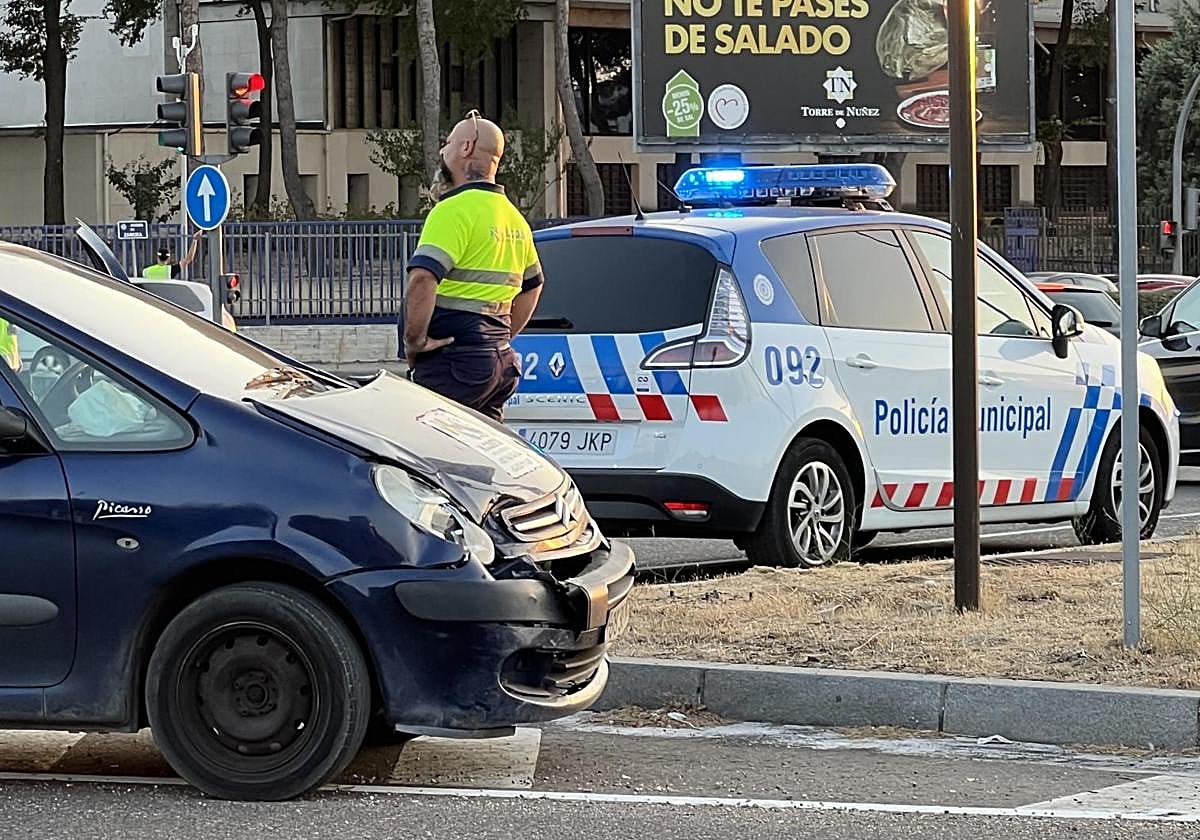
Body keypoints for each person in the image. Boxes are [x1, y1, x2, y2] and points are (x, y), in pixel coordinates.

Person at [402, 110, 543, 422]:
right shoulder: (513, 217)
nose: (443, 150)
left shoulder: (452, 210)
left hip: (454, 363)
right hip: (499, 363)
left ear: (466, 147)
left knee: (431, 446)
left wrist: (415, 342)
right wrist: (499, 338)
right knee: (482, 448)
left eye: (448, 142)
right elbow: (533, 285)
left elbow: (423, 278)